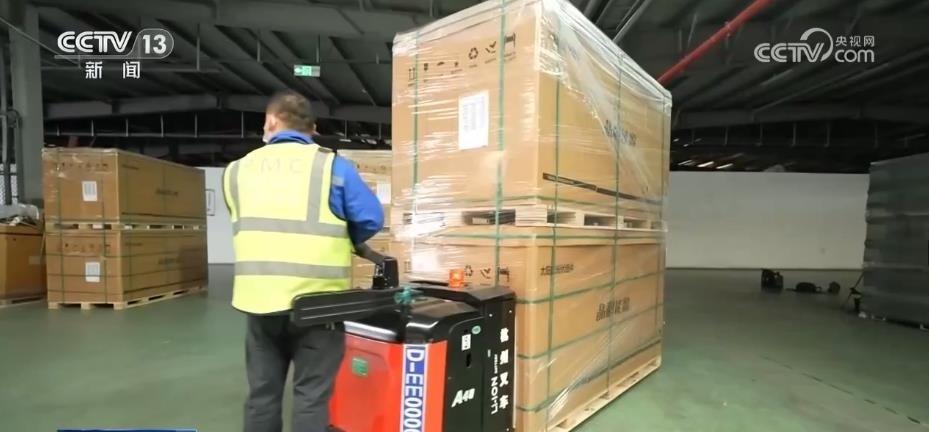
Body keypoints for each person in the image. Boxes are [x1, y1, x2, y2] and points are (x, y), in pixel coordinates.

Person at [222, 89, 384, 432]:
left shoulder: (236, 171)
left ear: (270, 122)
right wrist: (345, 236)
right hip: (318, 307)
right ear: (313, 130)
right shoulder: (330, 167)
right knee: (310, 397)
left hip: (261, 306)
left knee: (262, 395)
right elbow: (371, 218)